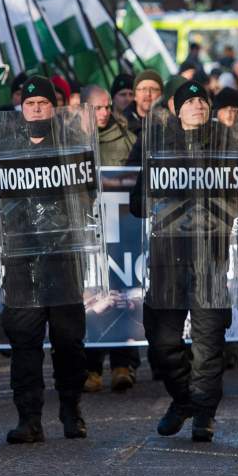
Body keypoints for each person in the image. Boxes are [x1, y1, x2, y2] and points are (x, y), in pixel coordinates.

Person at [0, 76, 92, 443]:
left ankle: (71, 411)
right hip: (21, 265)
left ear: (53, 108)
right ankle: (30, 419)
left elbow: (89, 201)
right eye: (30, 104)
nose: (36, 109)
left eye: (43, 103)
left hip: (64, 259)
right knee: (24, 344)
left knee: (69, 343)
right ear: (20, 108)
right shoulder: (3, 152)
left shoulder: (73, 148)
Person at [129, 80, 238, 442]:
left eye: (203, 100)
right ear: (175, 109)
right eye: (190, 101)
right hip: (167, 260)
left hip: (209, 260)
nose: (198, 105)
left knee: (208, 344)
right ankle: (183, 401)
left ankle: (203, 416)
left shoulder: (227, 145)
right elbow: (137, 204)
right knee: (162, 344)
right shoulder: (159, 145)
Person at [81, 84, 140, 392]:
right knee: (92, 302)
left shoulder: (127, 140)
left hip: (122, 232)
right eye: (97, 108)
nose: (103, 113)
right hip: (88, 234)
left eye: (107, 107)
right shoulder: (73, 141)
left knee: (122, 298)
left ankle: (123, 363)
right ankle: (90, 368)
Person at [124, 69, 163, 136]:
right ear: (135, 95)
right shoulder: (123, 124)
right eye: (143, 89)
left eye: (153, 89)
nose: (148, 94)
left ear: (161, 95)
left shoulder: (170, 122)